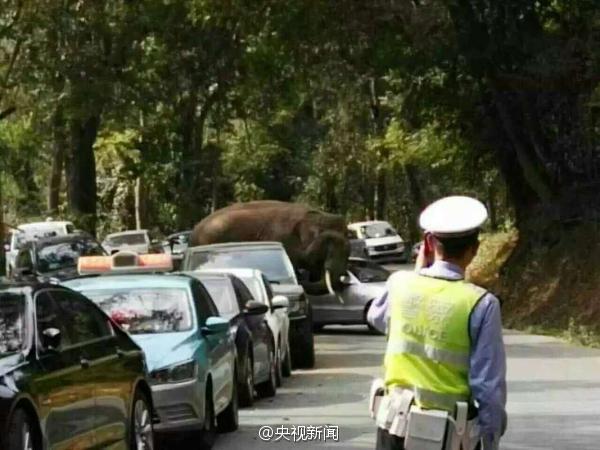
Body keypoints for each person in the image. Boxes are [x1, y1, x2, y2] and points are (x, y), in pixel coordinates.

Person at [367, 196, 507, 450]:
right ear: (475, 249)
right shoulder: (482, 304)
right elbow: (488, 388)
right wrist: (491, 439)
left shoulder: (400, 284)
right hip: (451, 437)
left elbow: (376, 318)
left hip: (393, 429)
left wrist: (417, 272)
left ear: (428, 243)